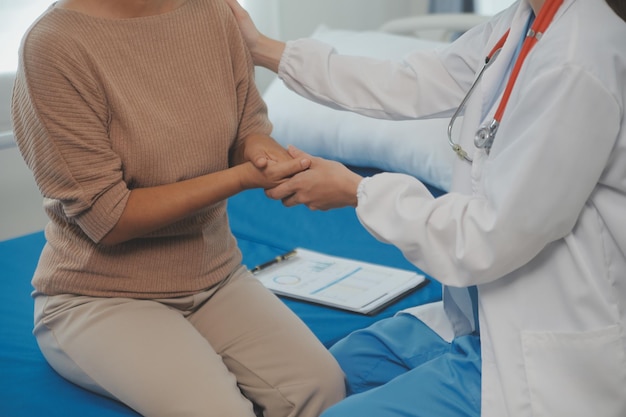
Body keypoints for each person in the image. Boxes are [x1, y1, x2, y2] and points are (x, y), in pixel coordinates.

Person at [225, 0, 626, 416]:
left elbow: (488, 237)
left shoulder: (578, 58)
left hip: (539, 353)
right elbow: (409, 81)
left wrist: (358, 191)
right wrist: (263, 48)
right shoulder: (525, 21)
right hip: (474, 323)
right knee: (319, 377)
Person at [10, 1, 346, 416]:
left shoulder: (212, 13)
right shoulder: (54, 45)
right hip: (101, 296)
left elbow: (248, 127)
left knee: (324, 391)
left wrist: (265, 157)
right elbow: (108, 218)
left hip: (216, 276)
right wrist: (242, 177)